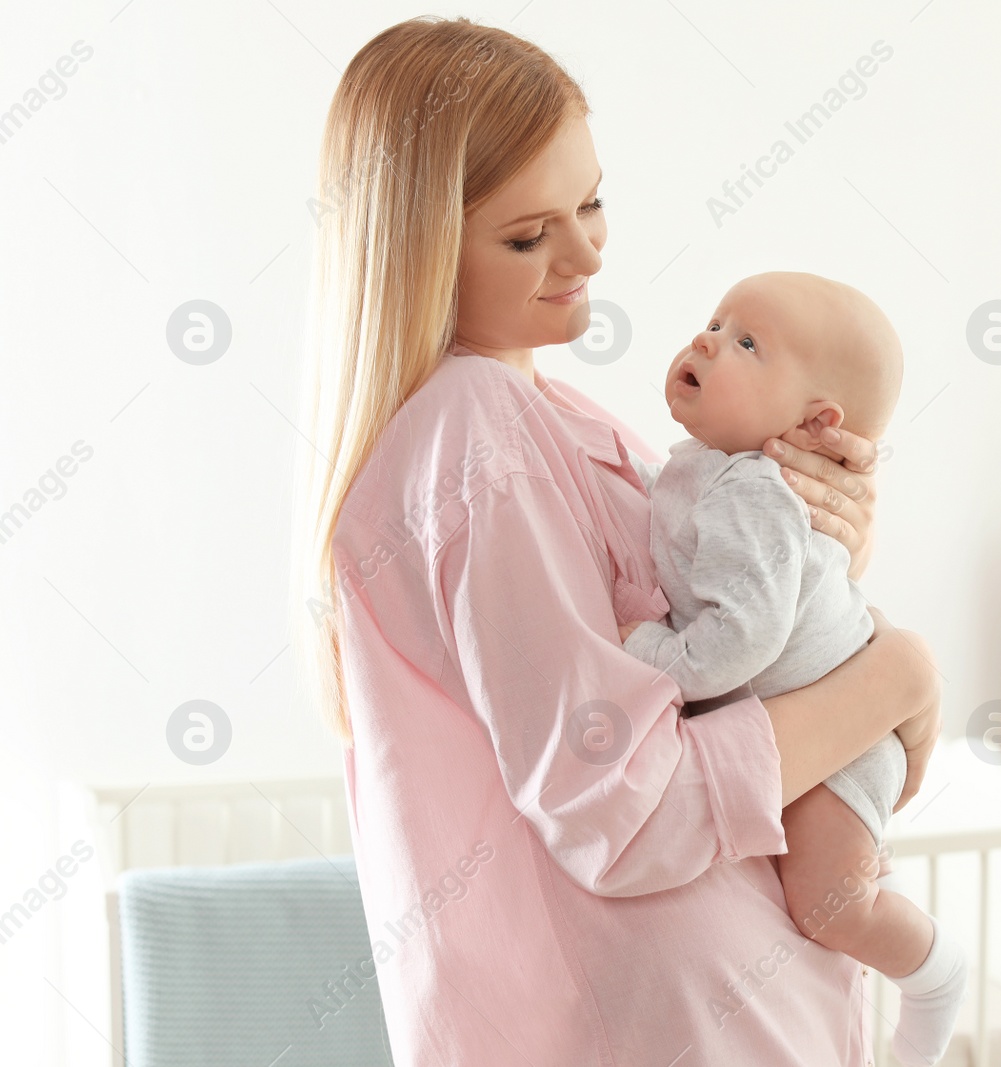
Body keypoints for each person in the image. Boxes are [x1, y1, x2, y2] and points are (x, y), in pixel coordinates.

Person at [291, 16, 942, 1066]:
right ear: (415, 246)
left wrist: (833, 549)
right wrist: (893, 677)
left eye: (592, 202)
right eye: (526, 234)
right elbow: (623, 808)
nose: (589, 252)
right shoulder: (476, 433)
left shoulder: (571, 425)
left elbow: (721, 655)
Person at [617, 271, 965, 1066]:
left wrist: (651, 653)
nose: (707, 339)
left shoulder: (758, 494)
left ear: (816, 423)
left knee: (827, 905)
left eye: (746, 344)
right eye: (714, 320)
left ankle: (938, 972)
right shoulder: (702, 467)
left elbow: (745, 637)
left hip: (844, 741)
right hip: (827, 713)